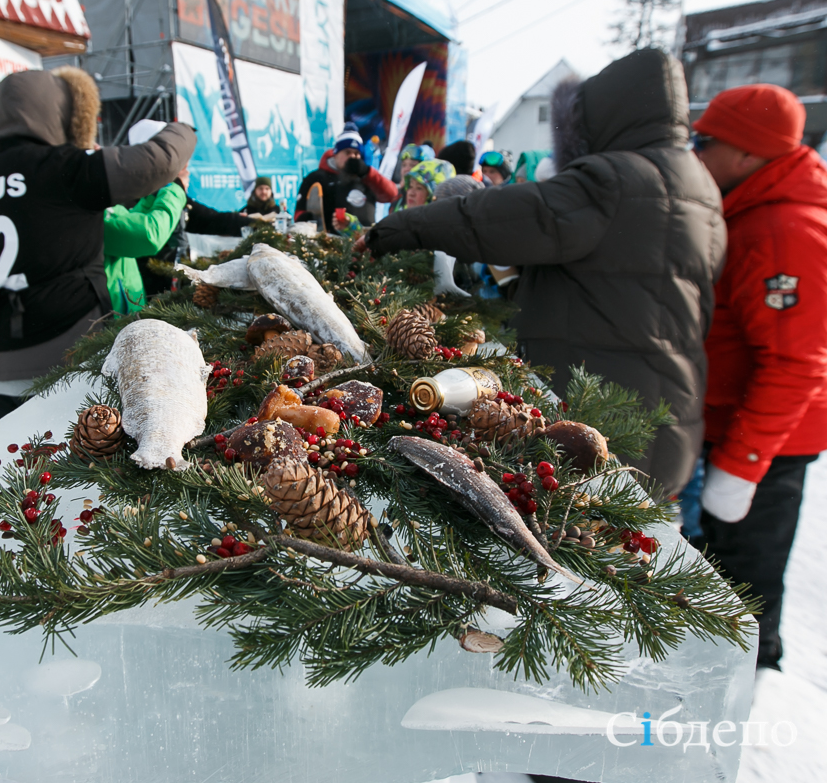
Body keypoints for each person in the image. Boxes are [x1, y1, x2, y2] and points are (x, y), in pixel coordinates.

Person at [356, 49, 726, 496]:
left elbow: (493, 219)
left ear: (602, 118)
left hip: (601, 418)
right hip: (669, 415)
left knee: (567, 542)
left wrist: (395, 228)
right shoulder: (700, 187)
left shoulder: (612, 180)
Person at [0, 69, 196, 419]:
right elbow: (160, 160)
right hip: (72, 361)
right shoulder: (65, 170)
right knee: (93, 469)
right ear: (62, 113)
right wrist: (184, 129)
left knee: (24, 471)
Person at [690, 84, 827, 671]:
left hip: (765, 450)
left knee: (744, 589)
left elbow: (795, 362)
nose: (696, 153)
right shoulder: (753, 210)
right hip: (741, 433)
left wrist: (741, 466)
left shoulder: (782, 231)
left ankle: (746, 693)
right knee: (726, 575)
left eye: (707, 142)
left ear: (747, 155)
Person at [102, 121, 193, 315]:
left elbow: (131, 219)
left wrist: (154, 194)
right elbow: (147, 234)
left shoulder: (102, 203)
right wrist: (175, 188)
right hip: (109, 320)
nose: (97, 150)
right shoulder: (91, 210)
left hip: (127, 309)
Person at [295, 122, 397, 229]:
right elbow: (299, 212)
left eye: (356, 154)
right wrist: (306, 219)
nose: (352, 157)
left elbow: (392, 195)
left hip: (364, 239)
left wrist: (367, 172)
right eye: (347, 153)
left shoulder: (367, 178)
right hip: (328, 241)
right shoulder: (316, 177)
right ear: (336, 154)